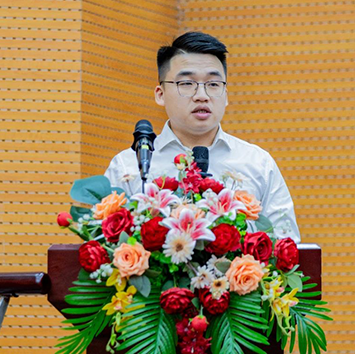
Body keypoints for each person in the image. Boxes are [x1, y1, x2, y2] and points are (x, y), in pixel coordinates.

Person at [104, 31, 301, 242]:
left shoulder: (257, 163)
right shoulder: (129, 167)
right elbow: (103, 245)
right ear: (160, 94)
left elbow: (287, 245)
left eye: (213, 84)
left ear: (226, 95)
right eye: (187, 84)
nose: (202, 96)